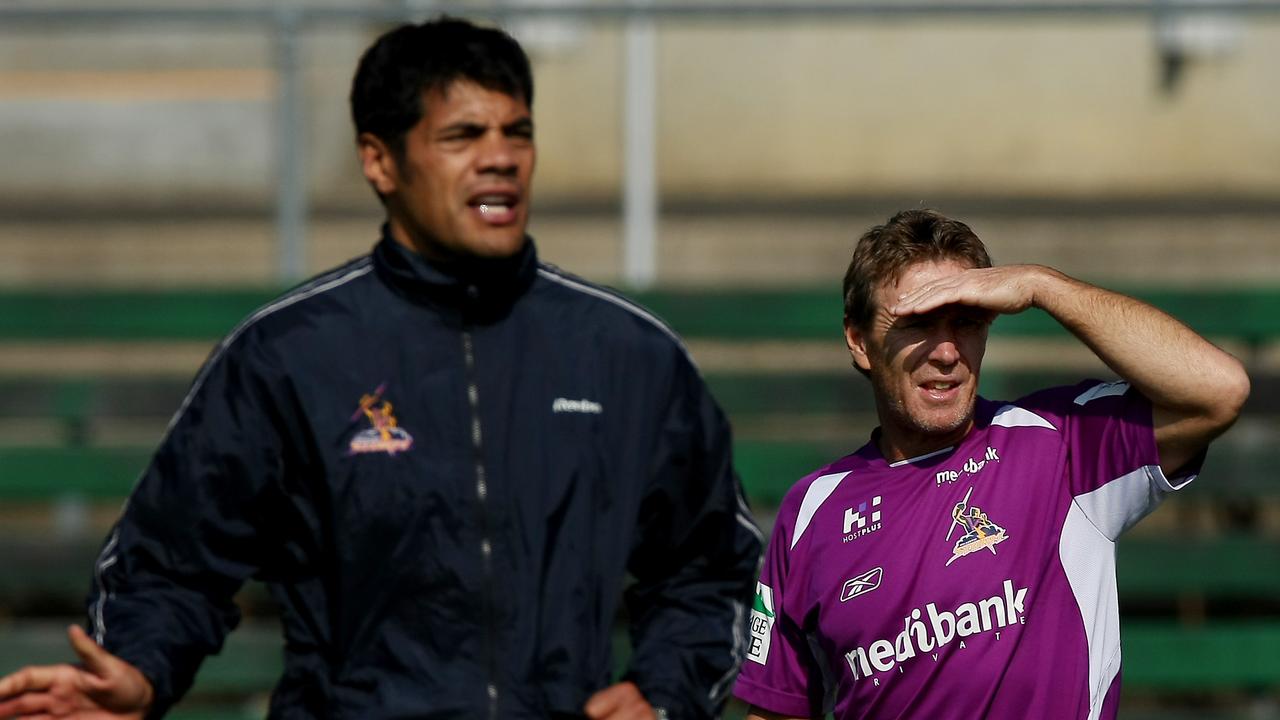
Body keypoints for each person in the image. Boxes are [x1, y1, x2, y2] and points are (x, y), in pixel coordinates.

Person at [0, 18, 762, 720]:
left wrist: (661, 693)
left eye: (517, 132)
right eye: (463, 135)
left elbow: (714, 569)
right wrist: (137, 667)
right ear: (379, 160)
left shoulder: (627, 355)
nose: (500, 157)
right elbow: (168, 565)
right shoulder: (288, 357)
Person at [733, 209, 1249, 719]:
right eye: (918, 324)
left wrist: (1042, 285)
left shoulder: (1058, 443)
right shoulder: (811, 512)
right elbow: (777, 710)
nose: (947, 351)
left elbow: (1217, 390)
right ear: (859, 341)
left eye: (967, 321)